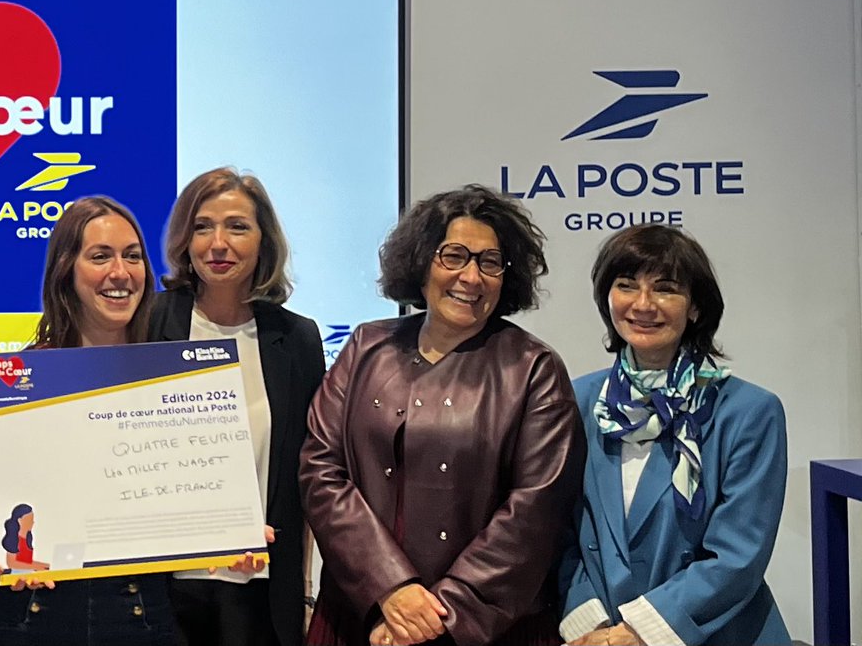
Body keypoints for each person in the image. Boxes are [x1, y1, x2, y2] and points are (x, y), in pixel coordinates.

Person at [300, 184, 585, 646]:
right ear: (421, 261)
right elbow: (321, 471)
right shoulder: (365, 346)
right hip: (363, 613)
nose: (471, 277)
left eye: (489, 262)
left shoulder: (534, 368)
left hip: (485, 628)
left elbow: (536, 510)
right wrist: (390, 590)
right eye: (453, 256)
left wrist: (440, 615)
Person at [558, 225, 790, 646]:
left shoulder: (749, 411)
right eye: (626, 285)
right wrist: (589, 623)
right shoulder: (578, 400)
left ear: (696, 307)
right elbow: (558, 531)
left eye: (665, 289)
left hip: (717, 635)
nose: (643, 305)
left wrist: (637, 633)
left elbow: (738, 557)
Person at [0, 195, 177, 646]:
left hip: (142, 610)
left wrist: (226, 527)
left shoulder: (170, 377)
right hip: (35, 606)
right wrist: (22, 544)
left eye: (133, 256)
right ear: (67, 269)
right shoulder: (18, 378)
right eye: (100, 256)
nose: (120, 273)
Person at [149, 167, 326, 646]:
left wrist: (305, 590)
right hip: (161, 591)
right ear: (185, 239)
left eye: (237, 226)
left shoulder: (297, 338)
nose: (218, 243)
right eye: (202, 226)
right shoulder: (150, 320)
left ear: (263, 239)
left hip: (261, 592)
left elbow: (305, 476)